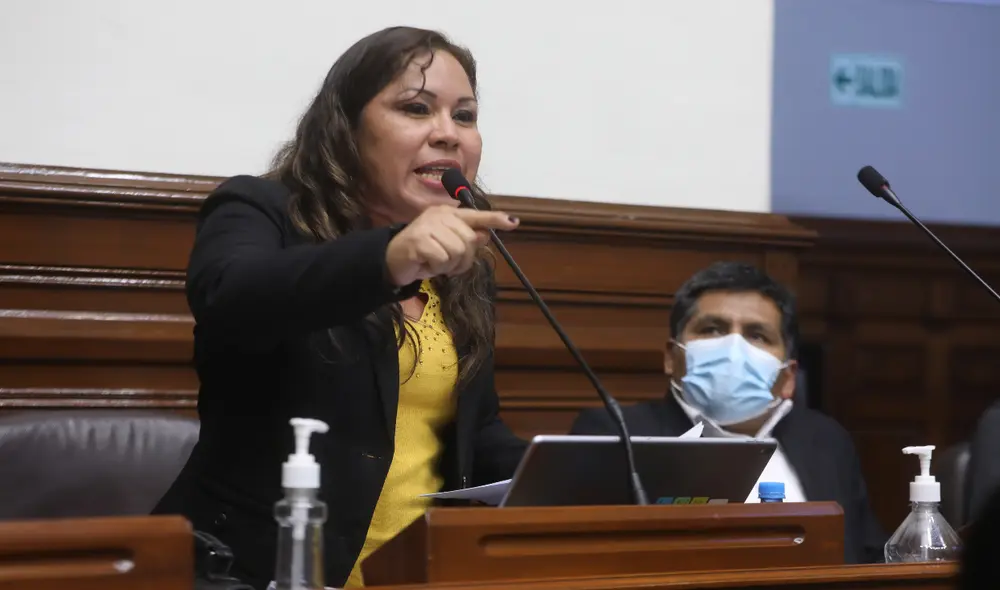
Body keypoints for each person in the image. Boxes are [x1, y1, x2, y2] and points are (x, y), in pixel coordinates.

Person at [152, 26, 528, 589]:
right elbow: (233, 297)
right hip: (249, 570)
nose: (448, 134)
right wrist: (390, 259)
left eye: (465, 116)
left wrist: (579, 476)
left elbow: (475, 431)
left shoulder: (459, 268)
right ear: (346, 129)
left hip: (414, 575)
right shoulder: (262, 210)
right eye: (416, 108)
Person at [569, 261, 886, 564]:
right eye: (712, 329)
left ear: (788, 377)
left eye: (757, 335)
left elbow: (868, 556)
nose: (734, 348)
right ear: (671, 357)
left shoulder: (825, 440)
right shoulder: (614, 434)